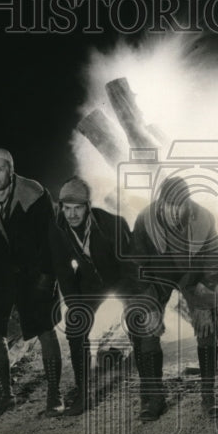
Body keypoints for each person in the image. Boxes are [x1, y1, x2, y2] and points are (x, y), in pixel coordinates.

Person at [0, 148, 62, 418]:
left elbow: (51, 238)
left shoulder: (34, 194)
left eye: (0, 169)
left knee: (45, 329)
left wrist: (48, 276)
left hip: (33, 271)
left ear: (11, 170)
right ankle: (4, 395)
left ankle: (55, 393)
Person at [130, 176, 218, 420]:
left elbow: (214, 261)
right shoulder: (145, 218)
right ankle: (154, 397)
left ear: (187, 203)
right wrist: (150, 306)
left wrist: (204, 305)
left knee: (207, 326)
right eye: (168, 205)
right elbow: (136, 265)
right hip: (156, 276)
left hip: (191, 276)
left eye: (179, 205)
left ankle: (209, 393)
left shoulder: (203, 218)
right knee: (144, 325)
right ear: (160, 203)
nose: (174, 212)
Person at [48, 176, 136, 416]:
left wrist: (131, 300)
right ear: (61, 207)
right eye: (67, 208)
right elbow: (63, 271)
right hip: (90, 281)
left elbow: (131, 266)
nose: (72, 214)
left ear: (88, 207)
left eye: (77, 208)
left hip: (119, 276)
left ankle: (146, 386)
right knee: (76, 327)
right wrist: (75, 306)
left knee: (140, 321)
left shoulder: (113, 225)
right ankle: (83, 392)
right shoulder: (58, 228)